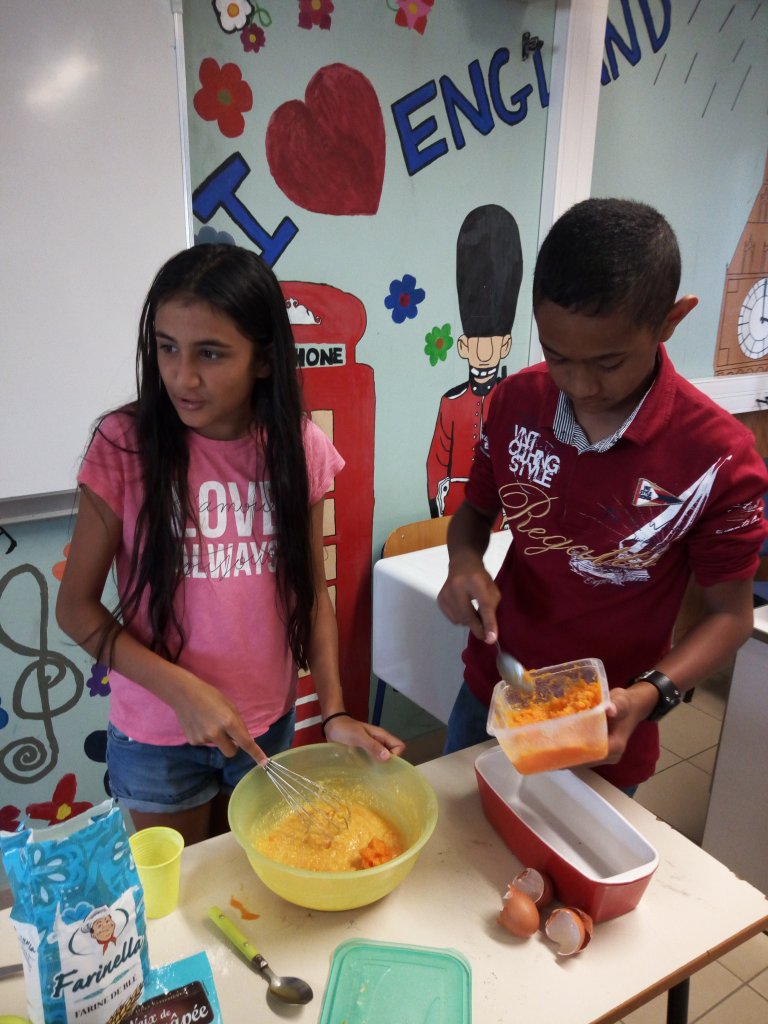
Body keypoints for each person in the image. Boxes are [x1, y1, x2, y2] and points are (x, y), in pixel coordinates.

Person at [56, 244, 404, 845]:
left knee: (249, 879)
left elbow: (311, 593)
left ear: (263, 360)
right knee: (186, 892)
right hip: (159, 738)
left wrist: (336, 711)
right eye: (167, 348)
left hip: (265, 726)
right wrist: (181, 691)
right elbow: (75, 609)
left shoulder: (297, 446)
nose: (181, 377)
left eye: (210, 354)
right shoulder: (124, 446)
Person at [437, 198, 768, 792]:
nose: (580, 385)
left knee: (574, 853)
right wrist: (464, 562)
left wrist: (652, 693)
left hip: (609, 716)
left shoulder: (718, 457)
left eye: (609, 363)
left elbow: (729, 616)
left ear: (670, 321)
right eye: (557, 356)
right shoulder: (514, 403)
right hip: (497, 689)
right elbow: (476, 511)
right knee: (465, 832)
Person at [427, 205, 522, 518]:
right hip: (455, 512)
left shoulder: (511, 401)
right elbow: (436, 463)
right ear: (463, 346)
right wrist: (437, 506)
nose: (483, 352)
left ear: (505, 345)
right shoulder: (450, 402)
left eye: (491, 342)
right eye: (476, 343)